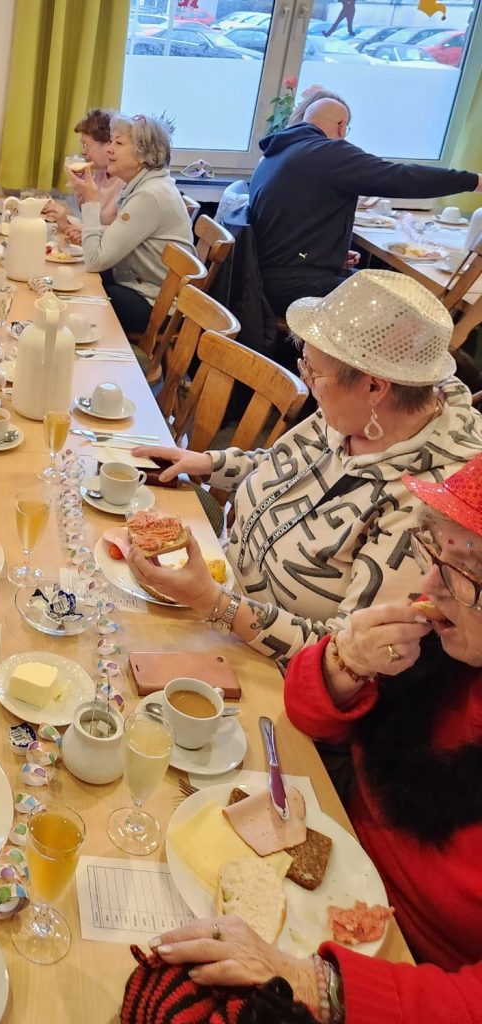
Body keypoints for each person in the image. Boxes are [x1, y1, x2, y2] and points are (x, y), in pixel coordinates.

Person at [150, 452, 482, 1022]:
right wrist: (346, 661)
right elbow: (306, 716)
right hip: (322, 881)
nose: (429, 584)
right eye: (434, 550)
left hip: (405, 982)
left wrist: (317, 983)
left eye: (464, 570)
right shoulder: (447, 645)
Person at [128, 271, 482, 667]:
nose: (307, 380)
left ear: (374, 386)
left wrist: (215, 604)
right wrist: (209, 463)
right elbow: (283, 468)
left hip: (270, 668)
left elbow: (345, 654)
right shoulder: (355, 417)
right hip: (217, 594)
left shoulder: (428, 504)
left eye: (315, 372)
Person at [250, 92, 481, 315]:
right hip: (298, 288)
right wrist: (473, 181)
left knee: (385, 287)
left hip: (269, 280)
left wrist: (328, 251)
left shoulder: (277, 153)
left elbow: (288, 221)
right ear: (342, 126)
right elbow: (399, 177)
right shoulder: (328, 152)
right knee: (409, 307)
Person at [76, 113, 196, 334]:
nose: (110, 148)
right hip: (141, 288)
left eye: (118, 143)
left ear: (143, 154)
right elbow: (122, 235)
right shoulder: (144, 185)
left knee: (83, 299)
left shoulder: (149, 195)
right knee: (82, 283)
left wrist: (91, 201)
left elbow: (95, 260)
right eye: (111, 141)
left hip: (158, 307)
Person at [48, 107, 124, 241]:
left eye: (86, 145)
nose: (83, 152)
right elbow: (87, 212)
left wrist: (82, 230)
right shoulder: (101, 173)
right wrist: (79, 183)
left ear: (108, 143)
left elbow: (122, 232)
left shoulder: (125, 181)